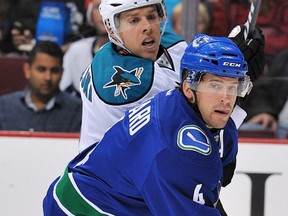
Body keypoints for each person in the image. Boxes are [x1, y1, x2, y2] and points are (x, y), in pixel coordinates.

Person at [43, 34, 253, 215]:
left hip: (117, 199)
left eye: (233, 87)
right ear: (189, 88)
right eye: (215, 85)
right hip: (83, 208)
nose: (226, 99)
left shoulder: (187, 108)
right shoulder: (172, 148)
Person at [78, 0, 264, 153]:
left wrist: (228, 55)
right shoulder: (131, 85)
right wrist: (233, 79)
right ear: (112, 30)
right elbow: (197, 129)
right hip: (108, 187)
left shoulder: (167, 43)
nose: (147, 27)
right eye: (134, 20)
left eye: (151, 16)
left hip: (140, 175)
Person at [0, 41, 82, 132]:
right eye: (41, 70)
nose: (48, 77)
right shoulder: (3, 107)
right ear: (27, 70)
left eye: (54, 71)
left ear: (62, 73)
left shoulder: (77, 111)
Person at [59, 0, 109, 96]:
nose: (105, 13)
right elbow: (61, 90)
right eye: (99, 7)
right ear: (89, 14)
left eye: (111, 6)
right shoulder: (77, 49)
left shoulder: (134, 52)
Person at [240, 50, 288, 139]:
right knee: (247, 130)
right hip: (278, 126)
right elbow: (263, 90)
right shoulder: (284, 59)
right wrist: (264, 111)